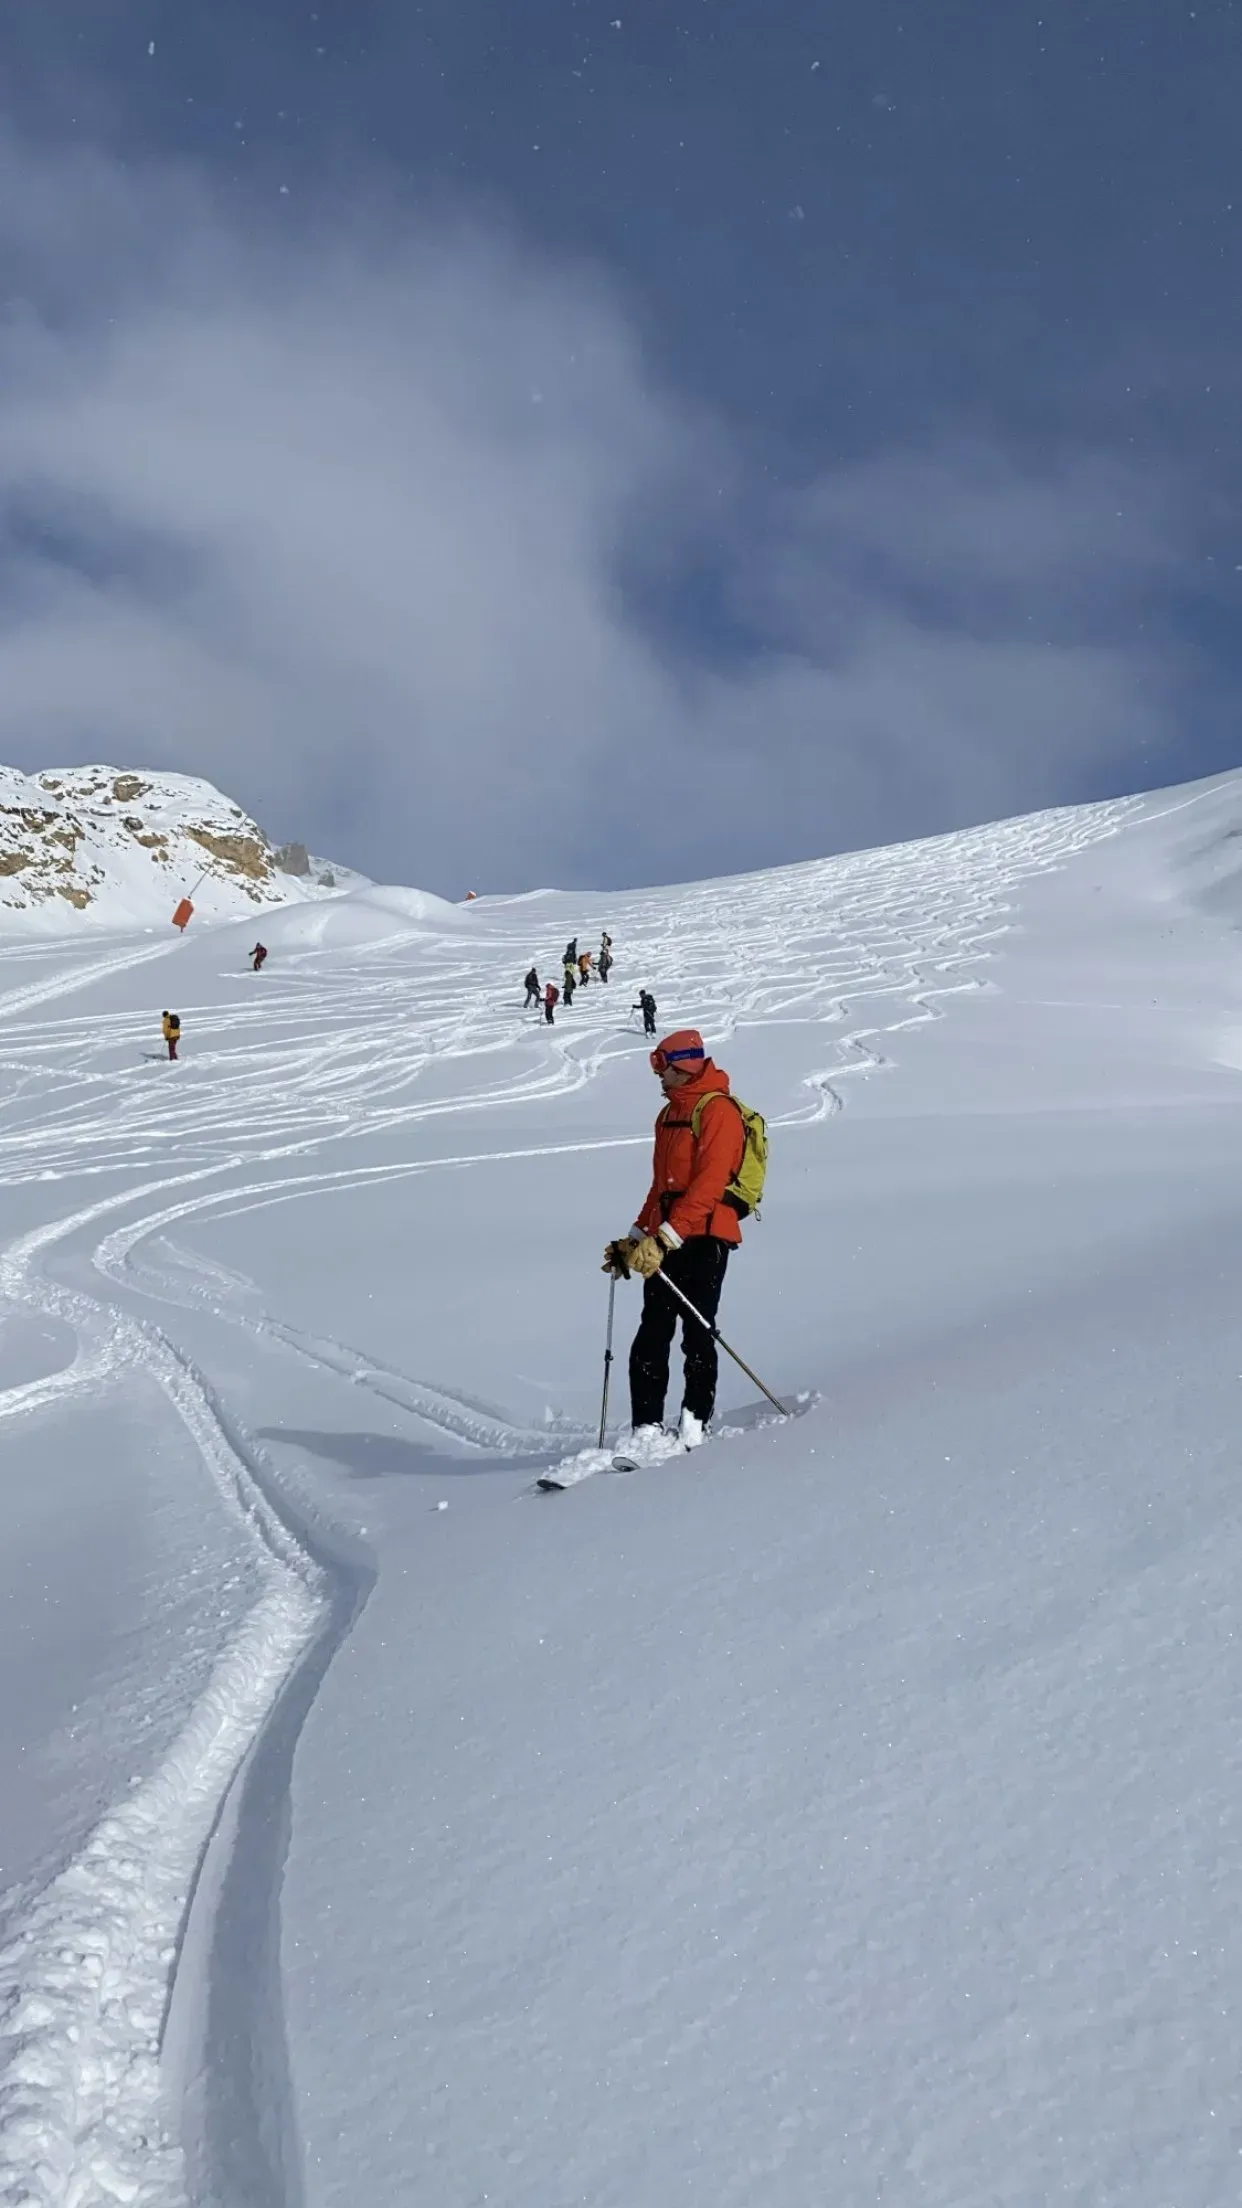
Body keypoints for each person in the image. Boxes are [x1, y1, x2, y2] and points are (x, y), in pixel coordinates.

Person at [602, 1029, 746, 1460]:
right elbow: (661, 1188)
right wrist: (635, 1238)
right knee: (652, 1332)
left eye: (661, 1067)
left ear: (682, 1065)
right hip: (667, 1237)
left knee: (697, 1332)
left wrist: (665, 1237)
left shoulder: (718, 1111)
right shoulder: (667, 1116)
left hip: (704, 1235)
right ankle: (646, 1427)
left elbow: (709, 1184)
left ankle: (694, 1422)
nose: (658, 1077)